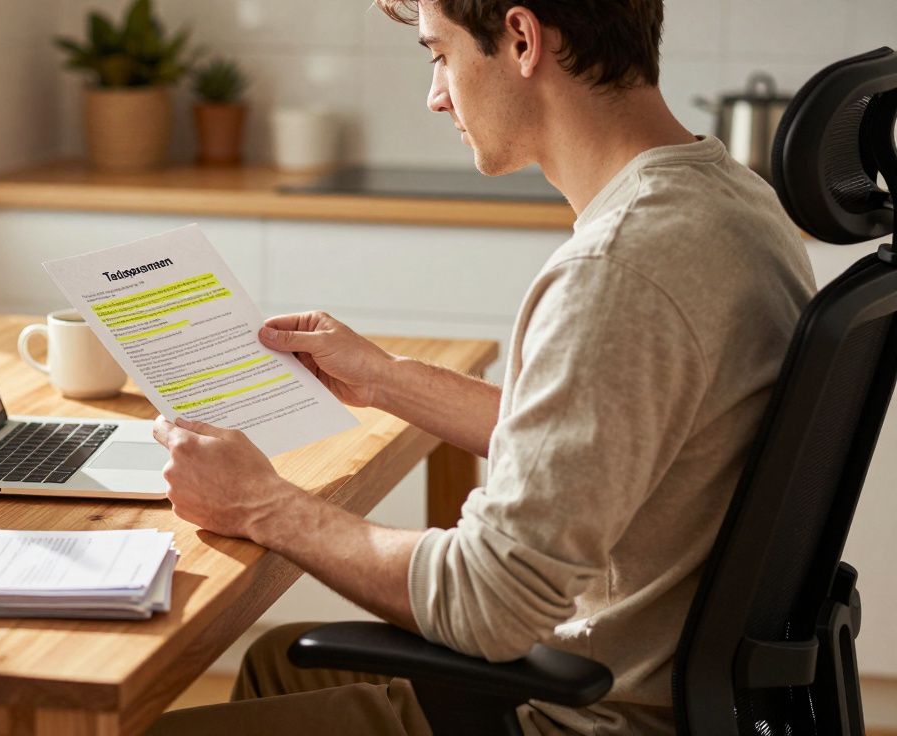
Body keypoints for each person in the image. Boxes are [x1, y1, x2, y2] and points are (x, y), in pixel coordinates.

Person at [148, 0, 816, 733]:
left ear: (523, 40)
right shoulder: (731, 200)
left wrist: (261, 505)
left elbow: (489, 601)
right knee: (282, 658)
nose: (436, 94)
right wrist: (382, 377)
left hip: (591, 715)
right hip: (682, 690)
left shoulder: (619, 266)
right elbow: (605, 443)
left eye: (439, 53)